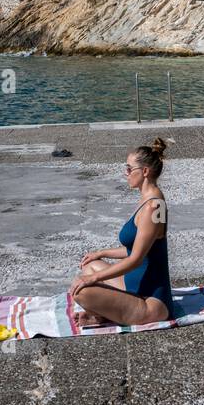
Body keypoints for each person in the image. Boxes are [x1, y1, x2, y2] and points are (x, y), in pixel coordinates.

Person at [70, 137, 173, 329]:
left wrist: (95, 279)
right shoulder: (149, 200)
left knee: (81, 291)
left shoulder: (154, 207)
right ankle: (104, 314)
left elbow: (136, 258)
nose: (125, 173)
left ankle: (105, 315)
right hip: (133, 286)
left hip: (150, 301)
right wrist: (101, 253)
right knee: (90, 266)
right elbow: (137, 248)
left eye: (128, 169)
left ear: (144, 172)